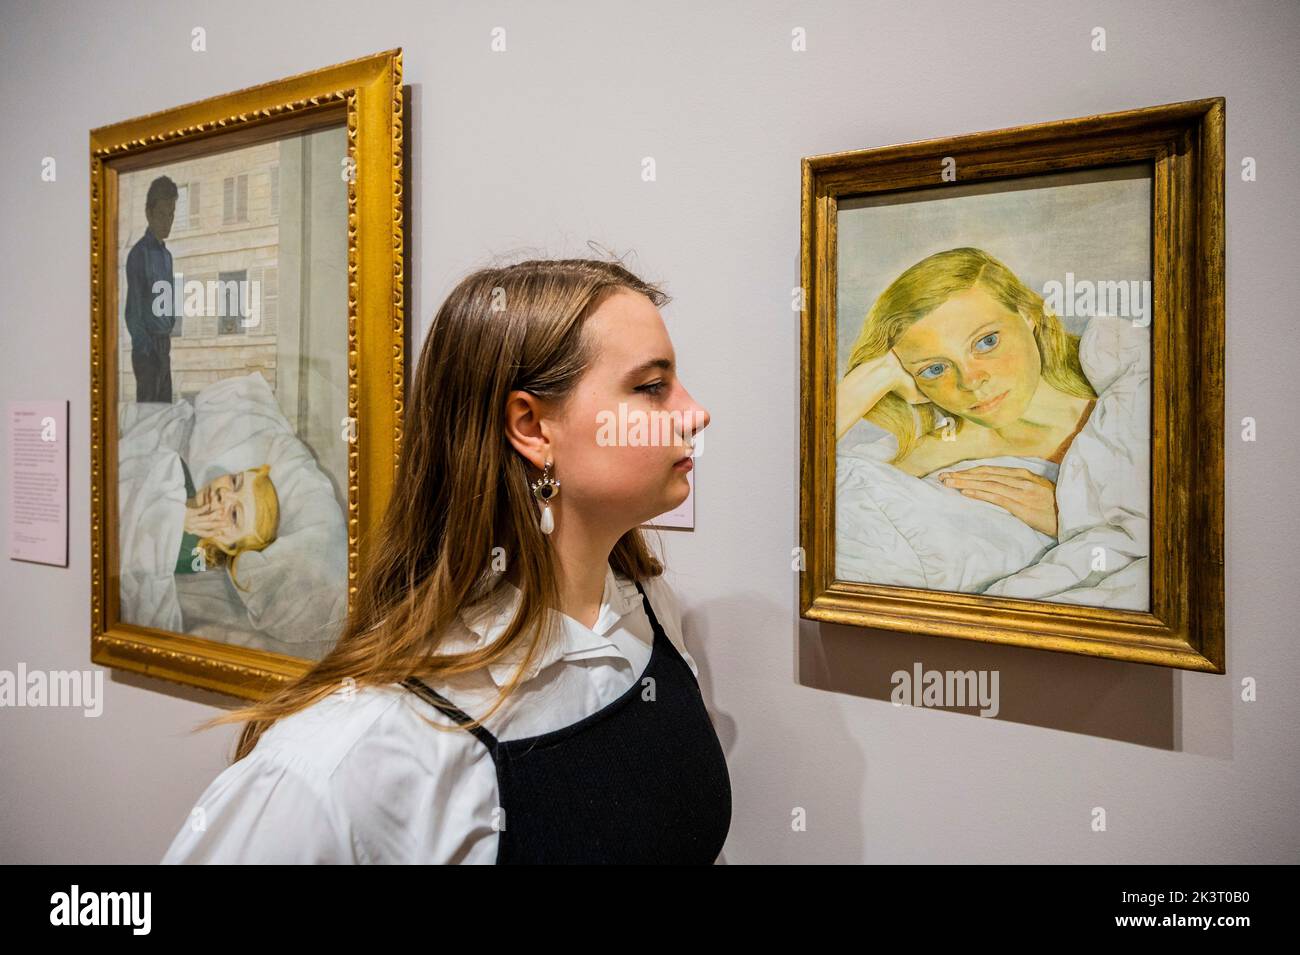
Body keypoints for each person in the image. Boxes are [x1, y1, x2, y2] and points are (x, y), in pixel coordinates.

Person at [160, 256, 729, 864]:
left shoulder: (648, 613)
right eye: (650, 387)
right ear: (532, 427)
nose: (696, 414)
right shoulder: (353, 756)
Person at [836, 247, 1099, 538]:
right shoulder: (948, 450)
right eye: (936, 369)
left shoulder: (1127, 390)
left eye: (986, 342)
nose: (971, 381)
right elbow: (804, 488)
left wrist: (1077, 515)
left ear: (1027, 315)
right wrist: (875, 376)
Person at [124, 175, 179, 402]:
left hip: (163, 346)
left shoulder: (167, 257)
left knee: (165, 414)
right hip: (147, 351)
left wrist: (168, 331)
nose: (167, 222)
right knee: (148, 418)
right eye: (161, 215)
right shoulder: (138, 254)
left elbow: (168, 300)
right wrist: (147, 352)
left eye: (171, 215)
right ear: (148, 213)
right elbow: (133, 312)